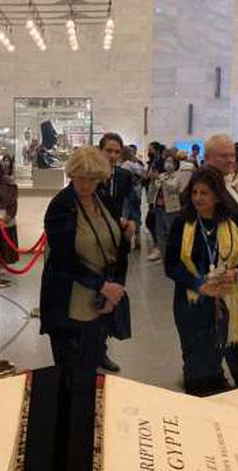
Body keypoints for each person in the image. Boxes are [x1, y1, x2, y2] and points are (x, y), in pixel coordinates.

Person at [165, 169, 238, 396]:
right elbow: (171, 266)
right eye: (194, 192)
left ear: (217, 196)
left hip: (227, 302)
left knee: (225, 355)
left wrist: (237, 273)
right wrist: (199, 285)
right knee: (196, 363)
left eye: (204, 193)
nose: (198, 198)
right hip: (191, 304)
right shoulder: (182, 222)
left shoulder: (233, 222)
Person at [40, 146, 130, 372]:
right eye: (80, 178)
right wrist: (102, 286)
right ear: (71, 174)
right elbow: (62, 259)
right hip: (70, 297)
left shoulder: (104, 199)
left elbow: (120, 248)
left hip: (102, 297)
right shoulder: (61, 206)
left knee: (91, 364)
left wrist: (115, 289)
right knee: (70, 370)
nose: (86, 185)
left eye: (92, 179)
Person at [202, 134, 238, 387]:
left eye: (232, 155)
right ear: (208, 158)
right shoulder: (205, 191)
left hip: (235, 280)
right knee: (231, 343)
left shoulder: (228, 185)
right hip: (219, 281)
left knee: (234, 338)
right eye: (223, 156)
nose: (230, 160)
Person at [96, 132, 135, 372]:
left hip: (118, 245)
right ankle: (92, 349)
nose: (112, 155)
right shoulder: (91, 176)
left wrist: (131, 221)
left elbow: (131, 203)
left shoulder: (124, 176)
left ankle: (102, 349)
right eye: (108, 150)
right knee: (96, 295)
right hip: (95, 246)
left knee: (113, 296)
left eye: (116, 152)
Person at [149, 148, 186, 262]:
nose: (167, 164)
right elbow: (155, 187)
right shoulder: (162, 175)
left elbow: (173, 187)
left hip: (171, 208)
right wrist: (153, 180)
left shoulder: (178, 176)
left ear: (175, 164)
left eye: (170, 162)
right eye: (166, 162)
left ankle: (174, 257)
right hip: (159, 206)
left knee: (171, 231)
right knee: (160, 232)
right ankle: (164, 256)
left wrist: (161, 180)